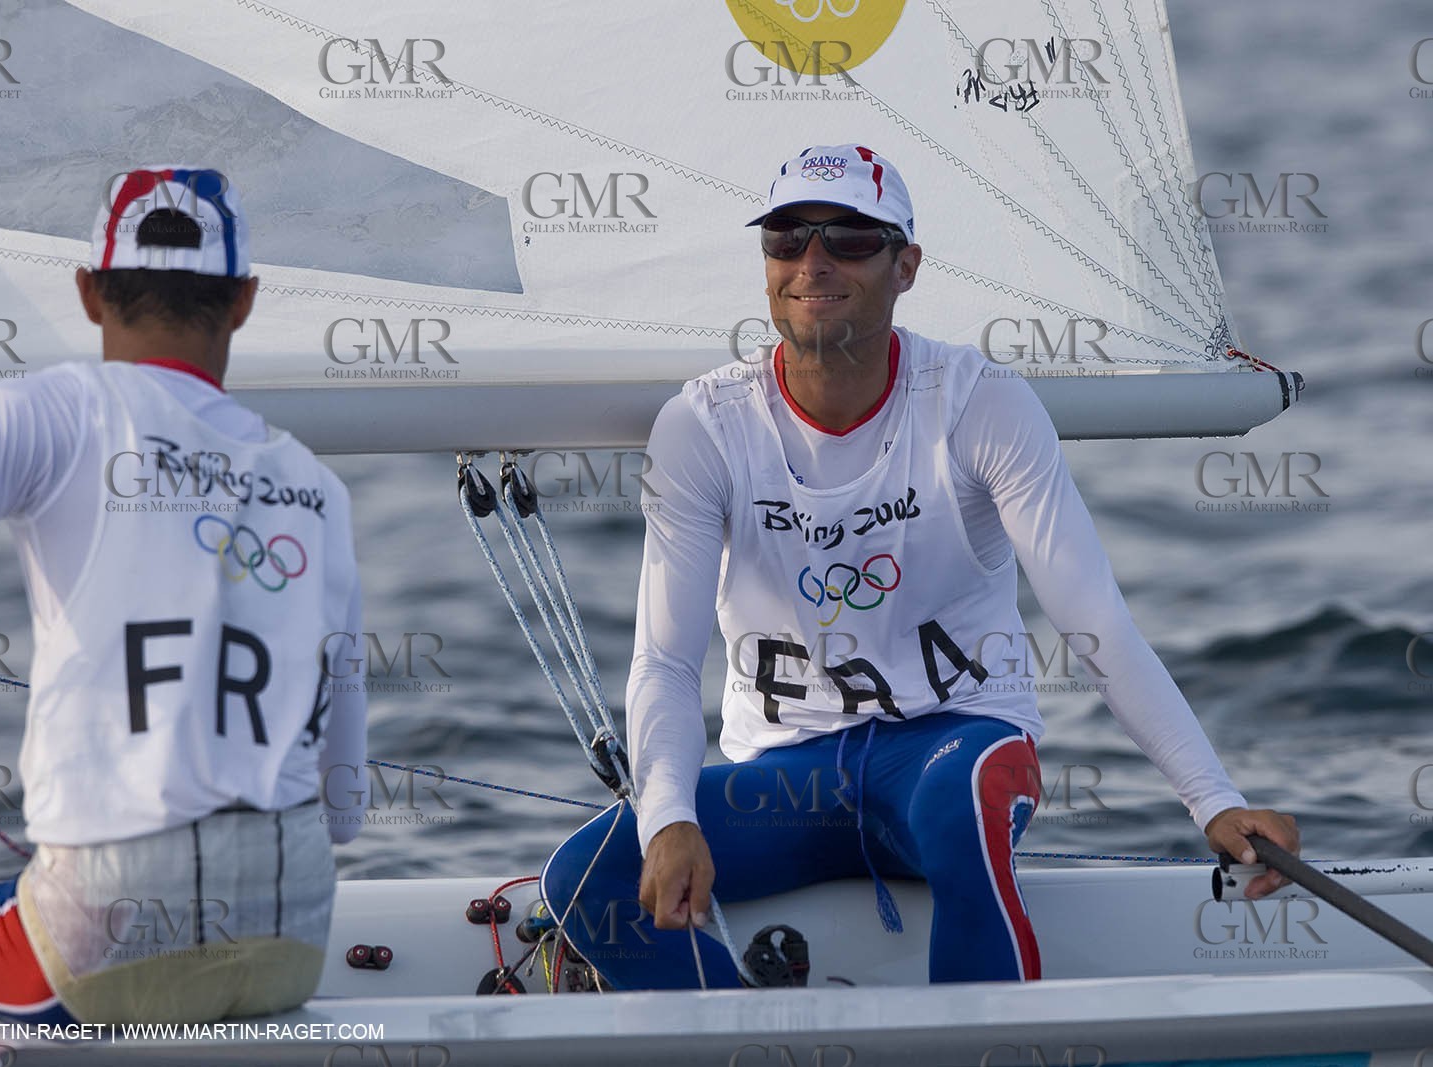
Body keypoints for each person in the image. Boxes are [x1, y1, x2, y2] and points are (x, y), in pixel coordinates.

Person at [540, 144, 1299, 988]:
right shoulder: (705, 426)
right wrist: (669, 816)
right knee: (584, 878)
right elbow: (667, 661)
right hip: (786, 779)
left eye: (850, 239)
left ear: (906, 265)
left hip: (952, 753)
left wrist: (1213, 799)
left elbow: (1095, 625)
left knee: (959, 800)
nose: (813, 262)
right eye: (786, 238)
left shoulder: (982, 404)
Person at [0, 167, 367, 1022]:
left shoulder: (56, 413)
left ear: (87, 292)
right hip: (289, 944)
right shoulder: (318, 488)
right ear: (244, 301)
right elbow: (344, 811)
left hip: (97, 953)